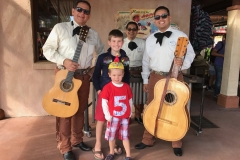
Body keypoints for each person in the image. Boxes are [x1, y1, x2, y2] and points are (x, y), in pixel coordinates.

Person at [43, 1, 104, 160]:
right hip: (65, 76)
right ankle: (65, 147)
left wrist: (93, 70)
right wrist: (64, 61)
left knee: (79, 110)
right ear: (73, 10)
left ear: (89, 15)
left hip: (84, 77)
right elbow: (47, 50)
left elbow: (102, 53)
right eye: (79, 10)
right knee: (64, 112)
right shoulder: (60, 28)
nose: (82, 13)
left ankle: (77, 140)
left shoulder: (94, 34)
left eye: (86, 11)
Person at [134, 6, 195, 157]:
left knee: (178, 107)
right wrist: (145, 79)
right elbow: (146, 61)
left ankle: (176, 141)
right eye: (157, 17)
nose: (161, 19)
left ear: (169, 17)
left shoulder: (180, 36)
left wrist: (183, 64)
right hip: (155, 77)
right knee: (150, 107)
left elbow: (191, 54)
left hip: (175, 76)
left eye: (164, 16)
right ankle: (148, 138)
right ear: (154, 20)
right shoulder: (150, 38)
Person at [92, 29, 130, 160]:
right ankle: (97, 144)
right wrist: (98, 89)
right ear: (109, 42)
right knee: (102, 119)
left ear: (122, 42)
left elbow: (127, 75)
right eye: (113, 41)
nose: (116, 44)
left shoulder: (125, 58)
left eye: (119, 41)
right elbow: (96, 75)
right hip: (105, 93)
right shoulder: (103, 57)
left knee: (116, 120)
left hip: (119, 96)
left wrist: (127, 91)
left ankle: (112, 146)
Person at [101, 55, 133, 160]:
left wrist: (130, 111)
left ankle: (128, 155)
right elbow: (104, 102)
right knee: (111, 136)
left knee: (125, 136)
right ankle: (111, 152)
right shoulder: (107, 87)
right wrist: (107, 115)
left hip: (124, 116)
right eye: (114, 75)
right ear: (109, 75)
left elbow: (129, 100)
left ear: (123, 74)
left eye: (119, 75)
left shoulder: (126, 87)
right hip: (113, 117)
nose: (117, 77)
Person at [122, 21, 145, 125]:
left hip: (139, 71)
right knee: (125, 95)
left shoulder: (143, 43)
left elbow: (146, 58)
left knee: (139, 94)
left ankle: (138, 115)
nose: (131, 31)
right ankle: (126, 116)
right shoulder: (121, 43)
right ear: (126, 31)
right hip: (125, 71)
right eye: (129, 29)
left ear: (137, 31)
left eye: (134, 29)